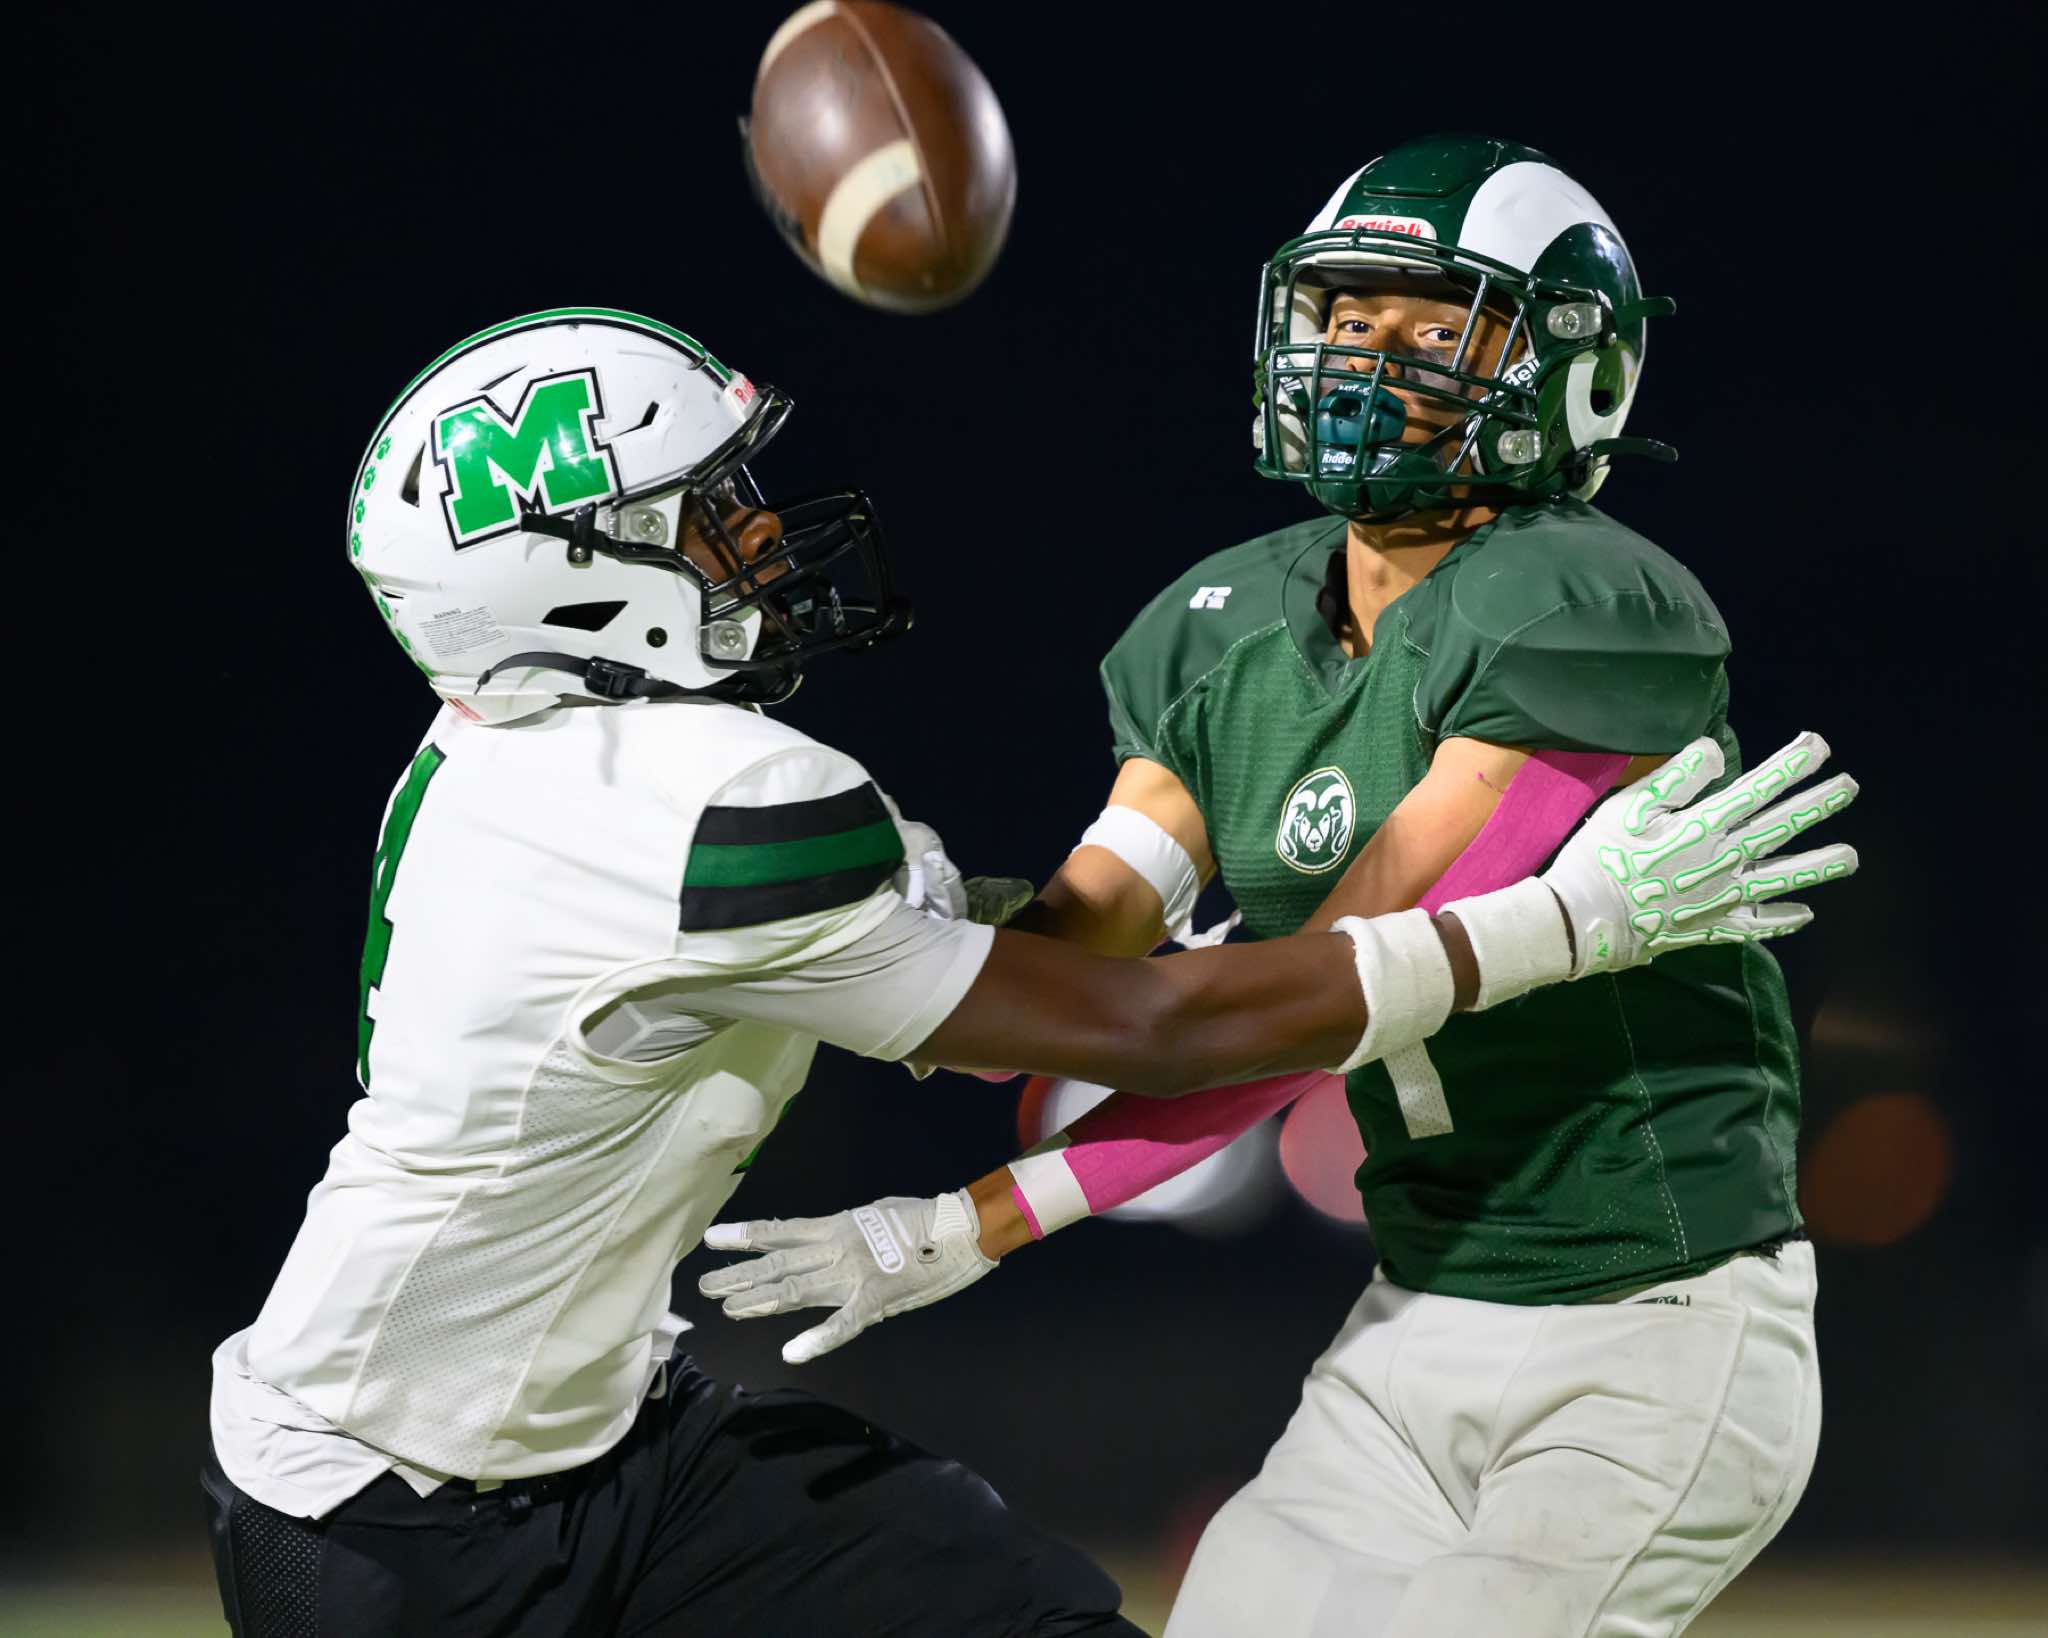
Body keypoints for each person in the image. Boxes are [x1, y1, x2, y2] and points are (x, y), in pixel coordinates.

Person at [203, 306, 1840, 1637]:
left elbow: (1027, 958)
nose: (759, 534)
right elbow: (1147, 1022)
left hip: (616, 1436)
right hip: (378, 1503)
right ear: (565, 572)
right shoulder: (704, 805)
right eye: (702, 512)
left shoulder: (514, 753)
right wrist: (1569, 922)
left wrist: (985, 1152)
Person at [701, 138, 1854, 1637]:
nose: (1367, 360)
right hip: (1415, 1315)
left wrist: (978, 1219)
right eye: (1346, 316)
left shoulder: (1584, 603)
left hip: (1653, 1325)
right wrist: (902, 933)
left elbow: (1324, 1001)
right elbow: (1074, 985)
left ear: (1574, 368)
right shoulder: (1226, 624)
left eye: (1435, 328)